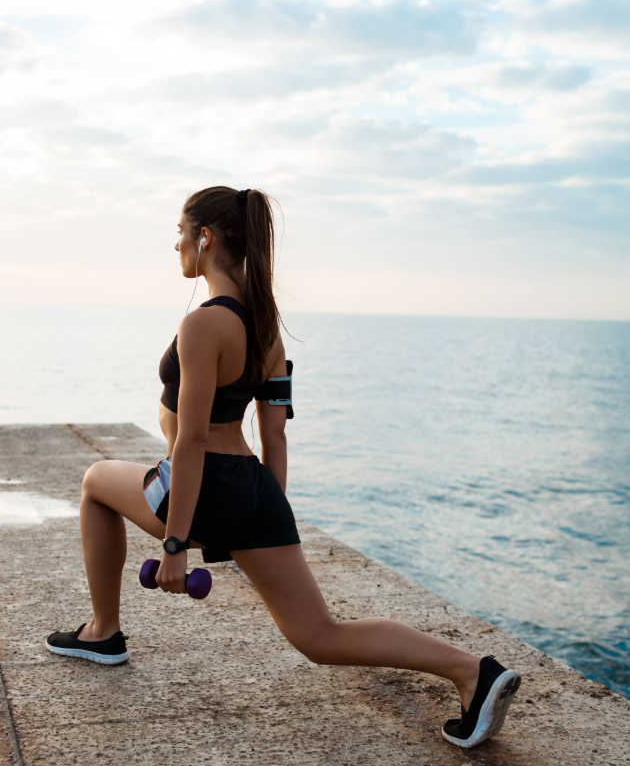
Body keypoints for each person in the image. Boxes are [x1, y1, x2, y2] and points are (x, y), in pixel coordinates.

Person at [45, 186, 521, 749]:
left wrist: (175, 546)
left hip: (200, 488)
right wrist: (265, 517)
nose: (174, 245)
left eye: (180, 232)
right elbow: (275, 435)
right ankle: (473, 671)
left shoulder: (202, 325)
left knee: (96, 481)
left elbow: (192, 441)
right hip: (253, 490)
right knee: (320, 636)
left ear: (206, 238)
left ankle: (103, 631)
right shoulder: (267, 327)